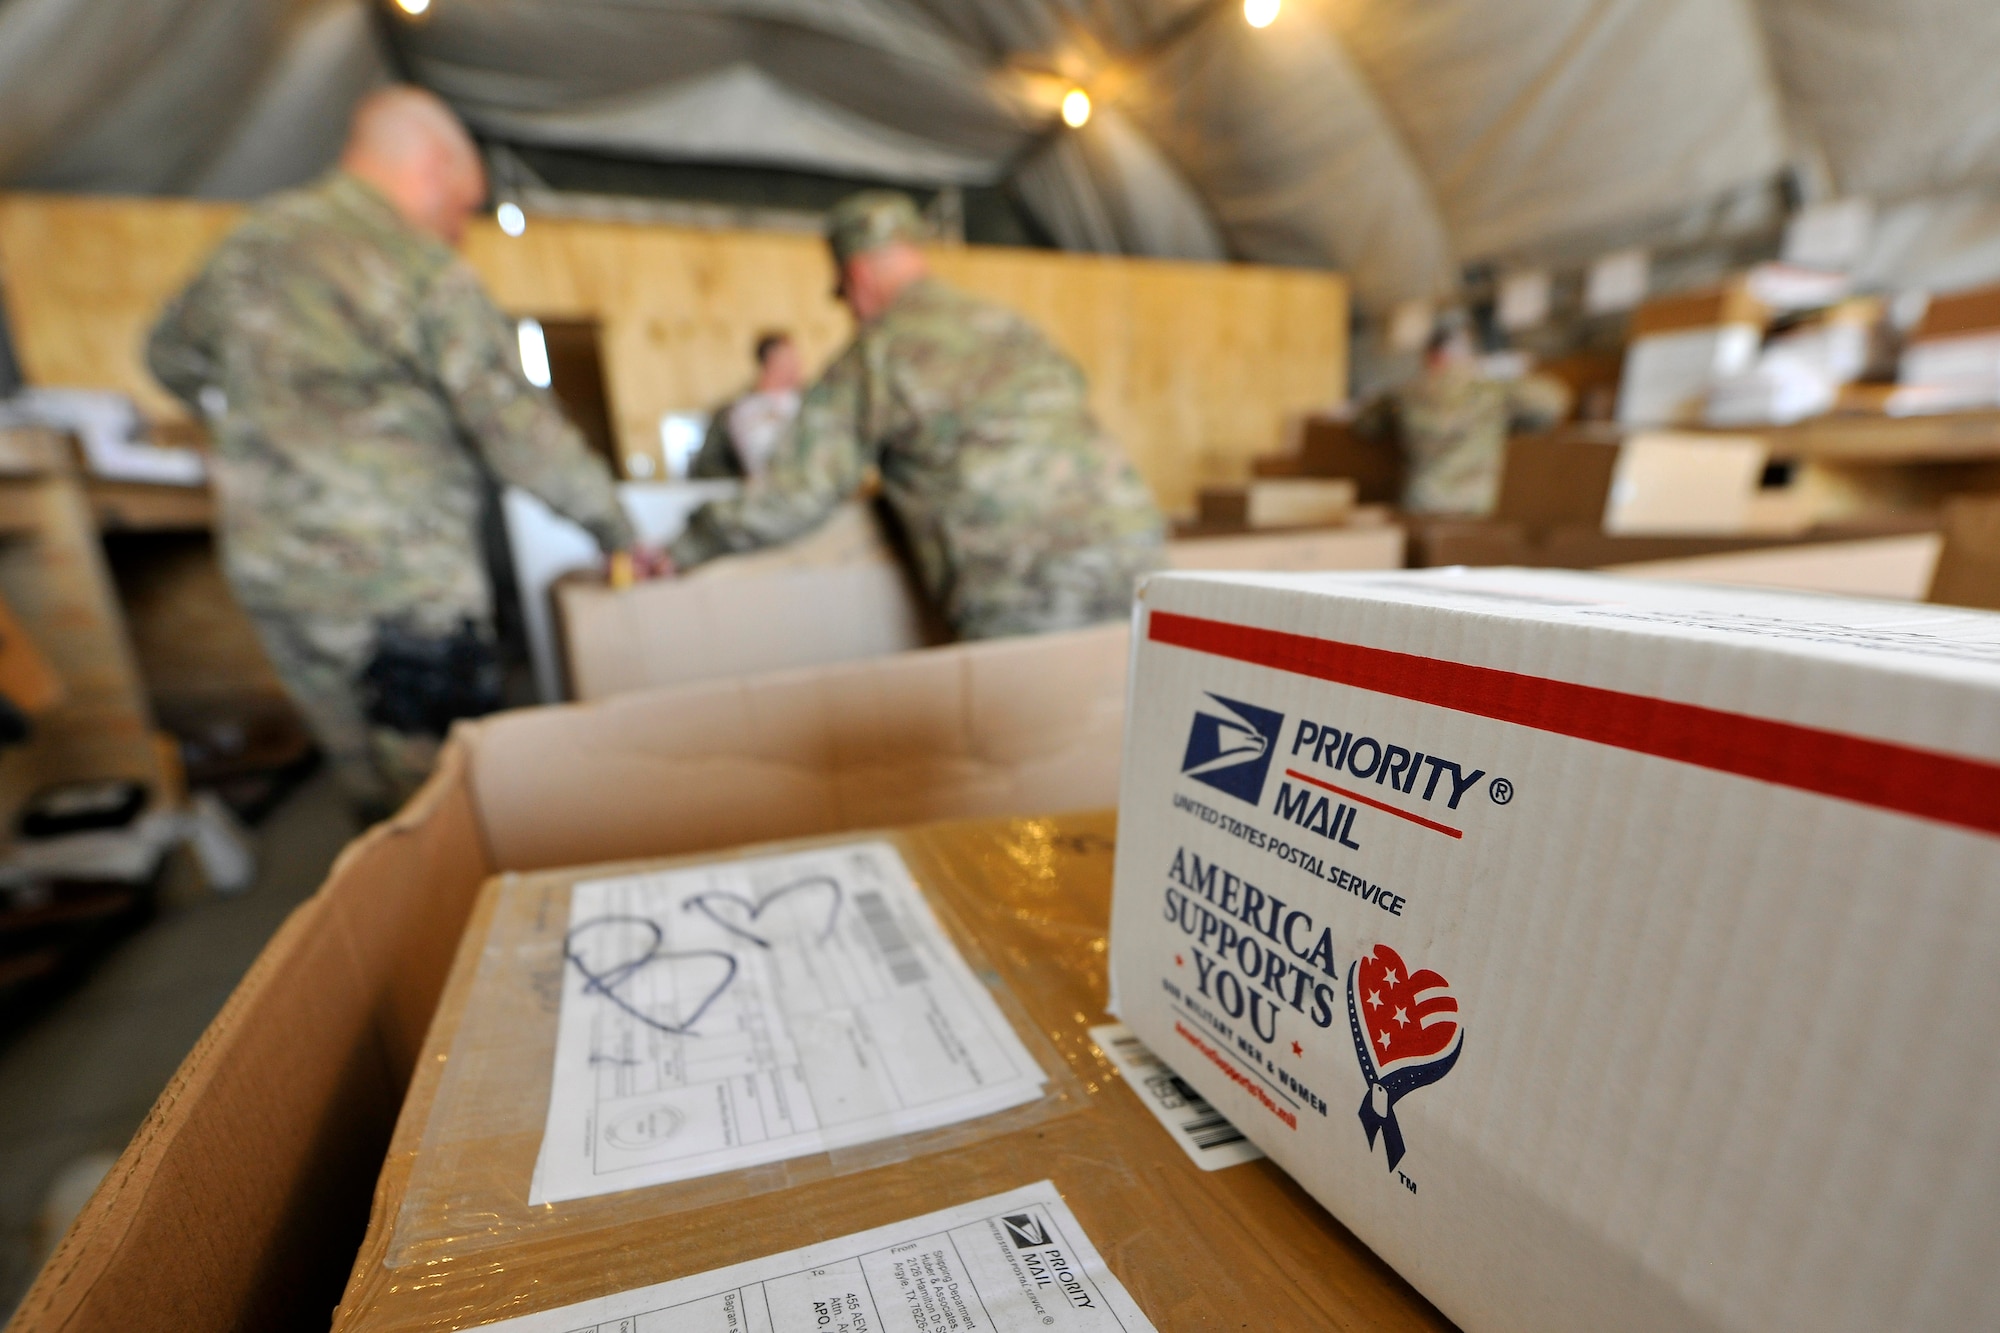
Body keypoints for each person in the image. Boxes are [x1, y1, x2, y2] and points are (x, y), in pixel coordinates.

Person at [147, 85, 658, 815]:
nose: (461, 232)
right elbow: (516, 427)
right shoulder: (417, 267)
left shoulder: (250, 244)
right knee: (447, 797)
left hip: (275, 574)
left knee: (365, 787)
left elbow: (168, 358)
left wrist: (264, 417)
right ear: (429, 167)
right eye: (462, 208)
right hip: (399, 587)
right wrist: (619, 529)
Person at [666, 191, 1166, 640]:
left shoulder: (879, 352)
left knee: (1042, 736)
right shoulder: (1009, 326)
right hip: (1136, 555)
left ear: (857, 276)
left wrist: (680, 550)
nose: (853, 311)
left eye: (845, 296)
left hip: (1026, 583)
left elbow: (793, 494)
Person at [1386, 324, 1572, 515]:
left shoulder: (1405, 394)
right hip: (1475, 505)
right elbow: (1552, 404)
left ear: (1430, 356)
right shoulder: (1490, 390)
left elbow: (1366, 423)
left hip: (1421, 503)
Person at [689, 331, 804, 480]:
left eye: (795, 359)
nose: (797, 365)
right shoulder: (742, 411)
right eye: (788, 359)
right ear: (770, 361)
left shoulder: (809, 402)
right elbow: (709, 467)